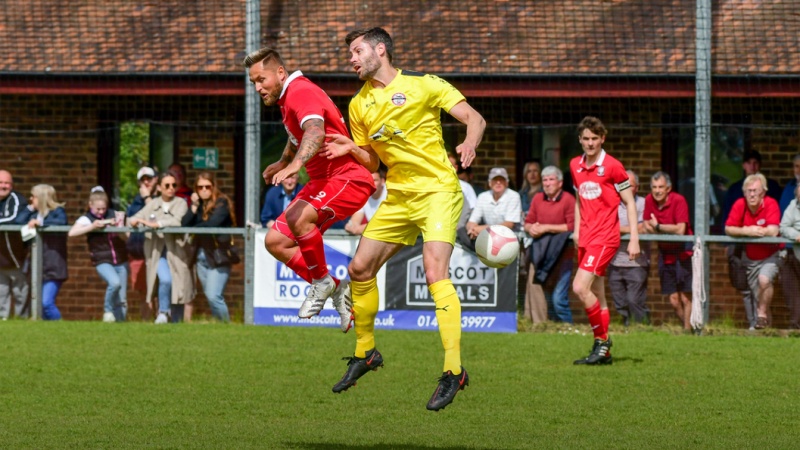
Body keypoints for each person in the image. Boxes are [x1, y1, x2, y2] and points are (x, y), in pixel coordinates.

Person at [323, 27, 486, 411]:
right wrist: (352, 148)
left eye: (357, 50)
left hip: (438, 192)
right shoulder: (359, 105)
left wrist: (469, 142)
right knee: (360, 268)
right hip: (398, 196)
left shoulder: (425, 85)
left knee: (434, 272)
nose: (351, 58)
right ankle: (366, 353)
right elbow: (373, 161)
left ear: (381, 50)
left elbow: (474, 118)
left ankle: (453, 371)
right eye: (350, 52)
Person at [244, 47, 375, 332]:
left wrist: (295, 167)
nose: (257, 87)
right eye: (253, 82)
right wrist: (284, 161)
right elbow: (298, 135)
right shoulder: (288, 97)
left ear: (280, 73)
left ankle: (321, 282)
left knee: (299, 218)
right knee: (275, 242)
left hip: (347, 178)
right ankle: (334, 287)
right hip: (323, 181)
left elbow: (314, 130)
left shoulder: (300, 91)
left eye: (261, 79)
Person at [570, 116, 640, 365]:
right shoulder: (575, 165)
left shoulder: (612, 166)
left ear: (603, 139)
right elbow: (580, 201)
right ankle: (604, 354)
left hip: (606, 237)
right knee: (597, 294)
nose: (590, 143)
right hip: (587, 237)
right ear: (580, 140)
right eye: (586, 139)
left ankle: (602, 341)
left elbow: (630, 203)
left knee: (580, 288)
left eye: (594, 139)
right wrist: (577, 231)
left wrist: (634, 239)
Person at [129, 171, 193, 324]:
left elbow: (177, 221)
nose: (171, 188)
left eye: (174, 185)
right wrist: (134, 220)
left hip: (177, 251)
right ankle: (163, 312)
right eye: (167, 185)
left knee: (179, 286)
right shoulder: (153, 203)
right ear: (159, 187)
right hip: (157, 251)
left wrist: (156, 224)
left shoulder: (181, 203)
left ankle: (176, 321)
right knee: (165, 280)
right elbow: (135, 217)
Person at [725, 173, 782, 330]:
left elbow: (773, 230)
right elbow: (728, 228)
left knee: (764, 280)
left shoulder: (771, 204)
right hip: (750, 258)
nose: (751, 194)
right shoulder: (739, 204)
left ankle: (761, 317)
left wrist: (759, 231)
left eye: (755, 190)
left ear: (763, 192)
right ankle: (766, 330)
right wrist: (747, 230)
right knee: (758, 297)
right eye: (748, 191)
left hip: (772, 255)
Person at [523, 166, 575, 324]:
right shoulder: (538, 198)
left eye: (551, 179)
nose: (547, 183)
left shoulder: (568, 199)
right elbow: (527, 222)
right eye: (545, 180)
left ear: (560, 183)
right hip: (540, 253)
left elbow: (572, 226)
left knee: (559, 298)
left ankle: (569, 328)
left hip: (563, 255)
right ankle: (546, 326)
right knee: (542, 294)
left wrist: (546, 227)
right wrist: (530, 228)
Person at [68, 187, 129, 322]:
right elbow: (72, 233)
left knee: (122, 299)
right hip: (102, 260)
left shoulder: (113, 214)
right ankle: (107, 311)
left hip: (120, 259)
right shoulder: (87, 218)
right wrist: (92, 226)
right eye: (98, 209)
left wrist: (120, 228)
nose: (101, 212)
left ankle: (121, 325)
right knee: (115, 283)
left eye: (104, 209)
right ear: (90, 205)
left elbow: (126, 237)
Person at [181, 172, 235, 322]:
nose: (204, 190)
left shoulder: (222, 203)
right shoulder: (198, 206)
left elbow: (211, 225)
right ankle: (219, 327)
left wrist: (195, 227)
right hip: (201, 256)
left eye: (207, 186)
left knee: (214, 295)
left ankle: (226, 326)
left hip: (219, 256)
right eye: (200, 187)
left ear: (213, 187)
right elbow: (184, 224)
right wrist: (193, 206)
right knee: (210, 295)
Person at [642, 171, 694, 331]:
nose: (657, 191)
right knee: (673, 299)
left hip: (684, 252)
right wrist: (663, 230)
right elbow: (645, 226)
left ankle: (687, 331)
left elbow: (680, 230)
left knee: (686, 297)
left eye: (661, 187)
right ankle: (687, 328)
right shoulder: (649, 200)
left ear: (668, 188)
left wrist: (658, 227)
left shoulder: (679, 200)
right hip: (665, 252)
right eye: (654, 187)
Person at [607, 170, 650, 326]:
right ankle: (627, 329)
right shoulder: (611, 203)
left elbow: (644, 227)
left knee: (635, 300)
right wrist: (632, 228)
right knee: (620, 302)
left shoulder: (643, 203)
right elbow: (606, 226)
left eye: (628, 185)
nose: (623, 188)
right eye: (620, 184)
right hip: (614, 261)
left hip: (637, 263)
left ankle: (643, 328)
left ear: (637, 187)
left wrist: (618, 228)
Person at [21, 184, 68, 320]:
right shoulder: (33, 213)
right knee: (38, 306)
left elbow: (61, 222)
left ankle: (61, 327)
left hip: (53, 264)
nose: (31, 199)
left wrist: (41, 224)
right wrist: (29, 208)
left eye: (33, 197)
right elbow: (18, 220)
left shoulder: (57, 212)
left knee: (46, 302)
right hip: (36, 264)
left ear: (41, 198)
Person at [457, 167, 522, 252]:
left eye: (501, 180)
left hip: (508, 238)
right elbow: (472, 221)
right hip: (488, 237)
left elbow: (509, 224)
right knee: (462, 230)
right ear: (490, 183)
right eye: (495, 180)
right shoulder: (483, 196)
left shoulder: (514, 196)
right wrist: (472, 230)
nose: (498, 182)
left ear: (507, 183)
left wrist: (483, 229)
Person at [126, 166, 157, 319]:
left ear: (155, 180)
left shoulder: (160, 198)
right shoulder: (134, 202)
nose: (146, 182)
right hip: (137, 252)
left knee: (157, 289)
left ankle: (161, 321)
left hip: (155, 252)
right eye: (143, 179)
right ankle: (146, 322)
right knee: (143, 292)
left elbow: (156, 217)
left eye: (149, 179)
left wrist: (147, 198)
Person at [0, 170, 30, 320]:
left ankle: (22, 319)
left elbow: (13, 218)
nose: (4, 186)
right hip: (0, 259)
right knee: (1, 291)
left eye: (7, 183)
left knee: (20, 291)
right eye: (1, 183)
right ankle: (3, 319)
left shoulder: (17, 199)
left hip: (16, 256)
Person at [779, 183, 800, 329]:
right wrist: (797, 235)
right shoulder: (793, 206)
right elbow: (783, 227)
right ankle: (796, 326)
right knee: (792, 291)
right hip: (796, 254)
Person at [345, 167, 387, 236]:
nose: (372, 184)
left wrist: (360, 229)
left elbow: (387, 224)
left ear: (382, 181)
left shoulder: (390, 193)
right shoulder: (364, 194)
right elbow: (355, 220)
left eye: (375, 180)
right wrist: (351, 226)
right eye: (369, 181)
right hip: (376, 236)